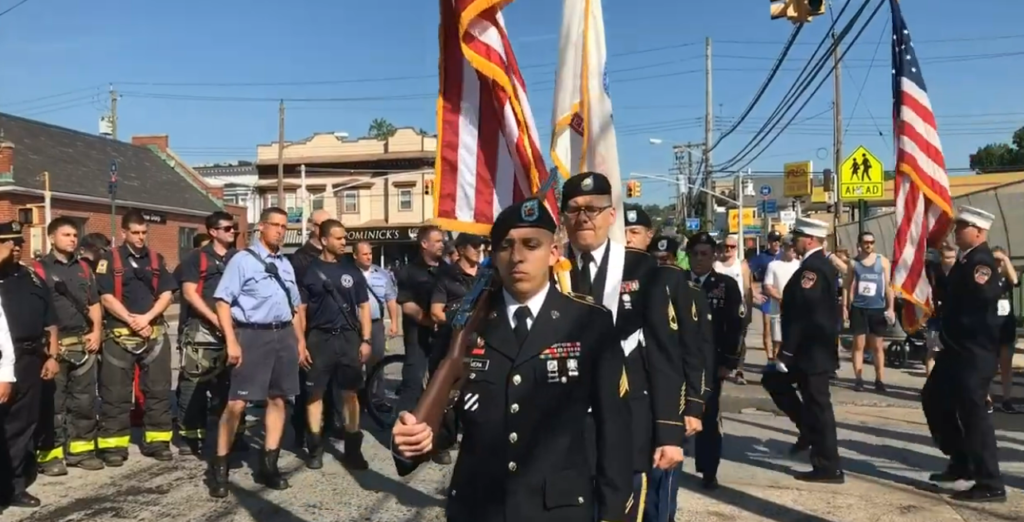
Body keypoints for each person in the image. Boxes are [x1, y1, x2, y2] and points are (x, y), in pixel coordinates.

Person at [392, 197, 633, 522]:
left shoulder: (590, 322)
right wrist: (410, 442)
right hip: (477, 507)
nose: (517, 257)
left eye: (531, 245)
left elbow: (613, 429)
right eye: (505, 246)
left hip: (557, 510)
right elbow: (443, 420)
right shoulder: (464, 325)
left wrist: (613, 513)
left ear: (554, 253)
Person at [560, 172, 683, 522]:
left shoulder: (642, 268)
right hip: (565, 427)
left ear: (611, 215)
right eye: (574, 209)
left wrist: (669, 433)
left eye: (594, 209)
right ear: (564, 217)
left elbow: (663, 352)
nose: (584, 217)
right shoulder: (553, 270)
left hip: (629, 418)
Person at [208, 207, 304, 497]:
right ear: (260, 227)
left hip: (283, 334)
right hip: (251, 334)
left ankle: (268, 466)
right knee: (237, 403)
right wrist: (232, 342)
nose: (280, 230)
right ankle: (220, 469)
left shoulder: (286, 264)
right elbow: (222, 302)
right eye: (274, 225)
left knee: (279, 399)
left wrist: (300, 341)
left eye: (284, 226)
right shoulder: (242, 260)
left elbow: (296, 306)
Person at [922, 206, 1007, 502]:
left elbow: (981, 309)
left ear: (979, 232)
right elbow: (952, 296)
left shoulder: (980, 264)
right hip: (955, 350)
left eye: (962, 227)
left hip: (972, 351)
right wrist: (934, 271)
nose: (956, 231)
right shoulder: (965, 261)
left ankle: (990, 481)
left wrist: (958, 335)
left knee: (974, 416)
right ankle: (961, 461)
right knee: (934, 399)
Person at [762, 217, 843, 483]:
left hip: (811, 351)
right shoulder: (813, 265)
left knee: (819, 406)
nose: (793, 241)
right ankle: (807, 429)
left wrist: (787, 352)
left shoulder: (814, 269)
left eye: (796, 236)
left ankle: (828, 466)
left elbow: (803, 315)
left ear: (809, 239)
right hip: (809, 350)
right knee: (773, 380)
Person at [94, 209, 177, 465]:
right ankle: (114, 446)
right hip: (119, 334)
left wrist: (147, 318)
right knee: (115, 392)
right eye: (136, 232)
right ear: (124, 232)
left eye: (144, 232)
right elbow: (105, 297)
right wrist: (131, 319)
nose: (141, 237)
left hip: (153, 333)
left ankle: (158, 441)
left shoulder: (155, 259)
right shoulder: (108, 260)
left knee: (158, 391)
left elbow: (167, 294)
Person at [297, 220, 372, 471]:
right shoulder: (309, 272)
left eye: (345, 238)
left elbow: (364, 306)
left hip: (349, 339)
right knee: (314, 394)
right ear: (325, 240)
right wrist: (301, 343)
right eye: (339, 238)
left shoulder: (352, 271)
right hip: (319, 339)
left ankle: (353, 450)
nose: (344, 243)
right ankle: (315, 449)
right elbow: (301, 311)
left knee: (350, 394)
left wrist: (366, 339)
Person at [33, 217, 105, 476]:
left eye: (75, 235)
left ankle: (81, 452)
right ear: (51, 238)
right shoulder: (38, 270)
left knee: (85, 401)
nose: (73, 239)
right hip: (53, 346)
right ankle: (50, 455)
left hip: (83, 343)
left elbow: (94, 303)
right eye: (66, 235)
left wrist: (97, 331)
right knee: (53, 403)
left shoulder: (84, 269)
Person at [0, 221, 60, 509]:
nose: (16, 247)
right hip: (2, 361)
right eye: (9, 242)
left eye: (19, 242)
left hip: (29, 360)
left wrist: (52, 355)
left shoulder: (31, 277)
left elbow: (50, 320)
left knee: (24, 426)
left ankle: (15, 485)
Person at [175, 211, 243, 457]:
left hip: (235, 329)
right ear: (213, 232)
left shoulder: (239, 257)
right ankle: (190, 436)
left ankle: (234, 434)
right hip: (202, 329)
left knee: (233, 384)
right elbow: (190, 292)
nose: (232, 232)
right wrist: (214, 318)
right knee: (195, 382)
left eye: (233, 228)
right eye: (226, 228)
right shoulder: (196, 258)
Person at [687, 232, 744, 490]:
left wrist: (729, 362)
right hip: (679, 362)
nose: (699, 259)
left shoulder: (726, 286)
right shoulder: (676, 282)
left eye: (704, 254)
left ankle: (709, 470)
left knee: (708, 418)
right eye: (695, 253)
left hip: (711, 364)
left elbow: (735, 326)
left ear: (713, 257)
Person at [288, 209, 332, 443]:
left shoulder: (337, 257)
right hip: (310, 327)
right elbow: (298, 300)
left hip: (333, 328)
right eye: (324, 223)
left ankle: (329, 425)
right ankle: (301, 430)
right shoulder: (301, 258)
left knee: (332, 381)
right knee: (308, 383)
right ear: (314, 227)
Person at [394, 226, 445, 420]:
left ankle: (437, 432)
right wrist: (428, 320)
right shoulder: (409, 271)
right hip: (418, 335)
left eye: (442, 241)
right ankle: (402, 430)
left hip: (442, 335)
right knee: (413, 383)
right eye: (437, 241)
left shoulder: (447, 270)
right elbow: (407, 306)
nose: (442, 244)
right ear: (424, 244)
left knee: (440, 383)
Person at [843, 232, 895, 392]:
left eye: (872, 242)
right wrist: (845, 306)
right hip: (859, 307)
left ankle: (879, 379)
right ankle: (858, 379)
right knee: (858, 344)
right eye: (866, 242)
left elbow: (888, 286)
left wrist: (890, 307)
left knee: (877, 346)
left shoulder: (883, 262)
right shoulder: (854, 263)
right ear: (859, 244)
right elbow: (846, 285)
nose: (869, 245)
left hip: (877, 308)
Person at [352, 240, 399, 409]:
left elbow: (391, 299)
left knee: (377, 363)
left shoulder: (382, 274)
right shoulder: (348, 274)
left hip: (376, 325)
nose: (368, 257)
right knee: (355, 364)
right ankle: (356, 400)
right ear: (355, 255)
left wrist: (394, 322)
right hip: (354, 326)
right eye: (364, 254)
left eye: (370, 253)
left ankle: (377, 399)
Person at [713, 234, 762, 385]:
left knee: (739, 339)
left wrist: (749, 308)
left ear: (736, 248)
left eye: (732, 247)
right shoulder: (716, 265)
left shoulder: (742, 265)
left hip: (738, 307)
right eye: (725, 246)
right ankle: (720, 366)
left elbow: (748, 287)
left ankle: (739, 369)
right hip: (719, 306)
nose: (728, 250)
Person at [762, 238, 801, 364]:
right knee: (778, 340)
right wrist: (781, 298)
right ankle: (775, 365)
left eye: (794, 247)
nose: (793, 250)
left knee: (795, 341)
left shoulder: (800, 265)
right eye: (790, 248)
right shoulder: (773, 265)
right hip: (778, 309)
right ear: (784, 248)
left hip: (796, 309)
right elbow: (768, 286)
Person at [990, 246, 1019, 414]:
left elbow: (1015, 281)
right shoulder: (986, 276)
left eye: (1000, 260)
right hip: (990, 326)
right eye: (995, 260)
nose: (998, 263)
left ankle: (1006, 399)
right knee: (990, 366)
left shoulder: (1007, 279)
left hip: (1006, 325)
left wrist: (1006, 260)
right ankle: (988, 399)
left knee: (1006, 365)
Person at [749, 231, 784, 363]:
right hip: (767, 297)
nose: (776, 243)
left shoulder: (784, 255)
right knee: (767, 326)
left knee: (780, 327)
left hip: (781, 296)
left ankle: (777, 354)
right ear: (769, 242)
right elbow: (748, 272)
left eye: (778, 240)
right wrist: (754, 292)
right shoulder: (762, 257)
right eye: (774, 240)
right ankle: (770, 356)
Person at [924, 244, 956, 377]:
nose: (951, 260)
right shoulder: (933, 272)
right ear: (941, 258)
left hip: (954, 317)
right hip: (937, 316)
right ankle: (929, 383)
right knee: (933, 351)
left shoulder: (959, 271)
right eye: (948, 258)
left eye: (953, 257)